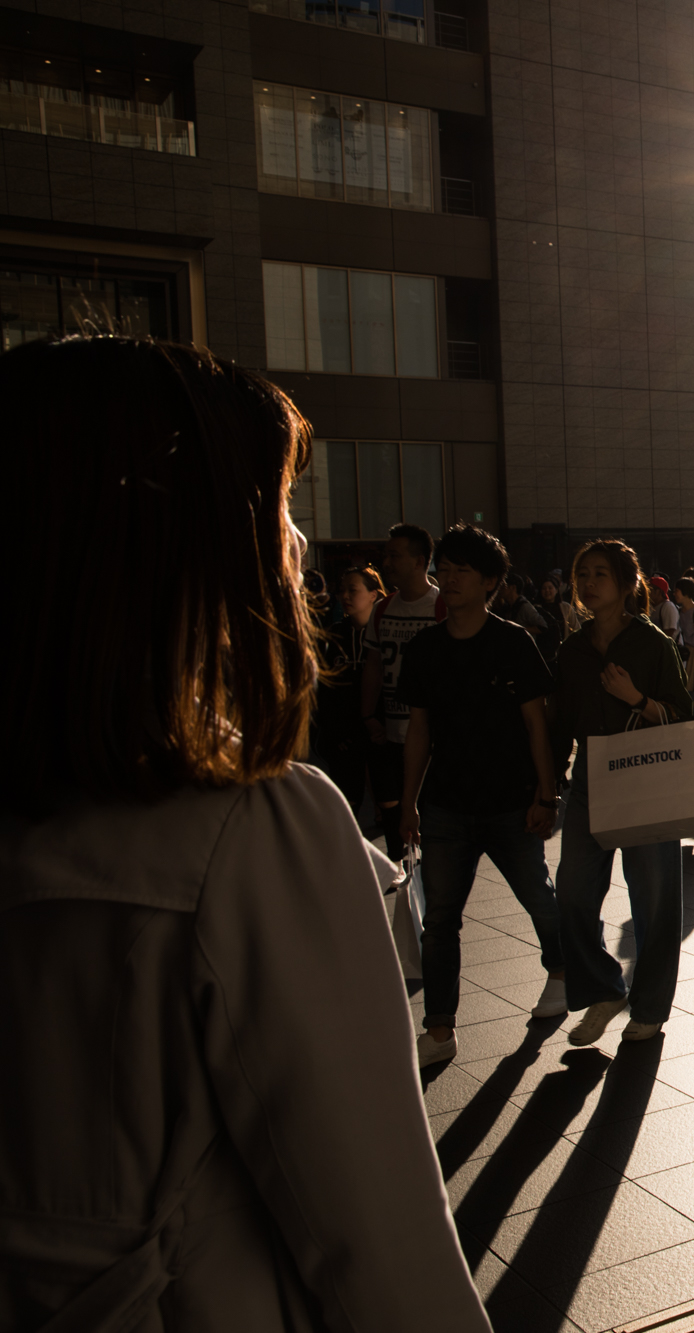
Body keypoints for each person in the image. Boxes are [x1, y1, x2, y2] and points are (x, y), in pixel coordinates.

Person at [0, 335, 489, 1328]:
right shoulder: (251, 832)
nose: (300, 547)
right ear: (175, 551)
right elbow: (385, 1257)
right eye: (274, 510)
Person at [397, 524, 567, 1066]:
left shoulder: (513, 642)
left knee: (537, 894)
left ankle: (562, 973)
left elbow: (537, 725)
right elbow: (418, 731)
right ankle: (440, 1029)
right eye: (442, 571)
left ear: (490, 581)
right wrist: (408, 803)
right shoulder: (425, 648)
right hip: (446, 803)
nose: (447, 580)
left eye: (460, 572)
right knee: (440, 918)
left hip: (510, 801)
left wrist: (546, 793)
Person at [550, 541, 694, 1046]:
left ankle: (650, 1006)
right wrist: (548, 782)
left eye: (600, 574)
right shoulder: (570, 650)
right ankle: (603, 989)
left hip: (646, 777)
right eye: (582, 574)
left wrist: (636, 699)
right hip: (591, 779)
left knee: (654, 900)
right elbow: (558, 723)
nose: (589, 583)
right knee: (570, 894)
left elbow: (684, 717)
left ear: (627, 582)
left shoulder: (652, 644)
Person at [361, 522, 440, 860]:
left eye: (395, 555)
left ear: (420, 561)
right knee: (395, 817)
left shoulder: (443, 608)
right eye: (386, 555)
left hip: (435, 736)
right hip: (391, 733)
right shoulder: (382, 609)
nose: (386, 562)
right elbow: (374, 667)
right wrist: (368, 715)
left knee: (433, 820)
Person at [313, 565, 386, 828]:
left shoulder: (386, 630)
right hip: (343, 736)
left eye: (352, 590)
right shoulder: (334, 635)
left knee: (389, 802)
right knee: (347, 802)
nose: (344, 596)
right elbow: (325, 691)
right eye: (341, 590)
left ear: (373, 595)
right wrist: (334, 732)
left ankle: (398, 864)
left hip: (379, 731)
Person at [491, 570, 546, 634]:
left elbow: (542, 627)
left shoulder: (524, 606)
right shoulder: (509, 606)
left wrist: (519, 630)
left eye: (503, 586)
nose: (500, 589)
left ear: (513, 587)